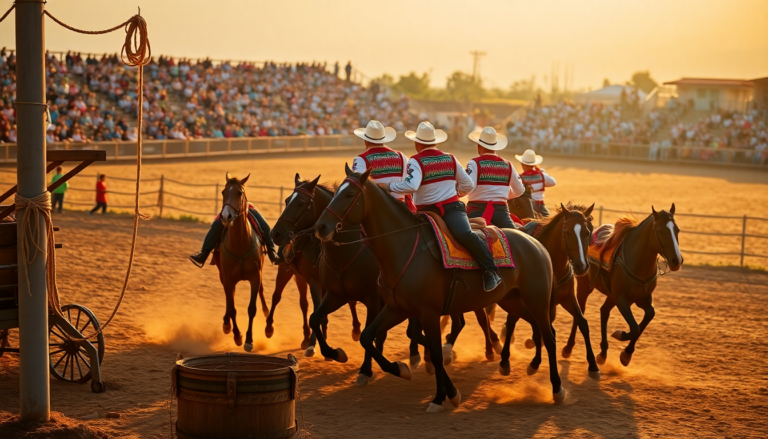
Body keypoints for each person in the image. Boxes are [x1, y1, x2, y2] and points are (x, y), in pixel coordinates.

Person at [384, 121, 502, 292]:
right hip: (452, 208)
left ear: (417, 143)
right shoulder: (450, 158)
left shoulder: (415, 161)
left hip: (426, 211)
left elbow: (411, 186)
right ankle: (491, 271)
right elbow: (467, 184)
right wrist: (457, 194)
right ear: (434, 142)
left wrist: (388, 187)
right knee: (464, 234)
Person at [189, 188, 277, 268]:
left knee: (264, 225)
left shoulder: (240, 187)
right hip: (230, 208)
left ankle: (272, 252)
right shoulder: (230, 187)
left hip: (244, 207)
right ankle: (203, 254)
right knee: (216, 226)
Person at [465, 127, 525, 228]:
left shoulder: (474, 163)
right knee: (515, 236)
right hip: (501, 213)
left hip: (476, 211)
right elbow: (519, 190)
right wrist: (503, 195)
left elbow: (469, 187)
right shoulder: (508, 165)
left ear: (479, 146)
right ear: (495, 146)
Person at [351, 120, 413, 210]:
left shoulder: (361, 159)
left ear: (366, 141)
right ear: (383, 139)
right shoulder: (401, 156)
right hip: (402, 208)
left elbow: (358, 186)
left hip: (376, 209)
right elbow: (409, 184)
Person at [515, 149, 556, 217]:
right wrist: (543, 173)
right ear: (534, 164)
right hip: (540, 207)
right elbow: (553, 182)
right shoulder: (542, 175)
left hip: (525, 207)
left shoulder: (520, 178)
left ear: (522, 164)